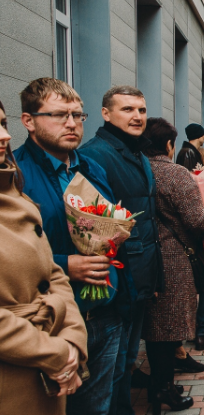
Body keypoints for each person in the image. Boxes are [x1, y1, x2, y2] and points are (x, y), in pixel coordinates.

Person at [14, 78, 126, 415]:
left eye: (78, 115)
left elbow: (107, 227)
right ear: (28, 121)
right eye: (59, 115)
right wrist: (65, 264)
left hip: (105, 311)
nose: (71, 123)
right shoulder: (16, 174)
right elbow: (13, 253)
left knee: (98, 408)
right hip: (53, 320)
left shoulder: (91, 167)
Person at [78, 86, 164, 415]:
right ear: (106, 113)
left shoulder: (138, 153)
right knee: (112, 372)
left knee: (127, 363)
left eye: (141, 110)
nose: (137, 116)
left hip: (140, 277)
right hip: (117, 279)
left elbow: (147, 221)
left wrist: (153, 280)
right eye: (127, 109)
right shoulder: (96, 154)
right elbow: (99, 229)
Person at [0, 99, 89, 414]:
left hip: (53, 354)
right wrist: (55, 353)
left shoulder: (17, 194)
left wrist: (72, 339)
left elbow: (52, 275)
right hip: (14, 373)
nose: (4, 136)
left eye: (2, 124)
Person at [142, 118, 204, 413]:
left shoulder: (137, 169)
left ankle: (162, 384)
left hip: (146, 254)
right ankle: (163, 389)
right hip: (174, 257)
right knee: (168, 327)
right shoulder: (174, 173)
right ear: (169, 145)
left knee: (155, 326)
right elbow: (195, 219)